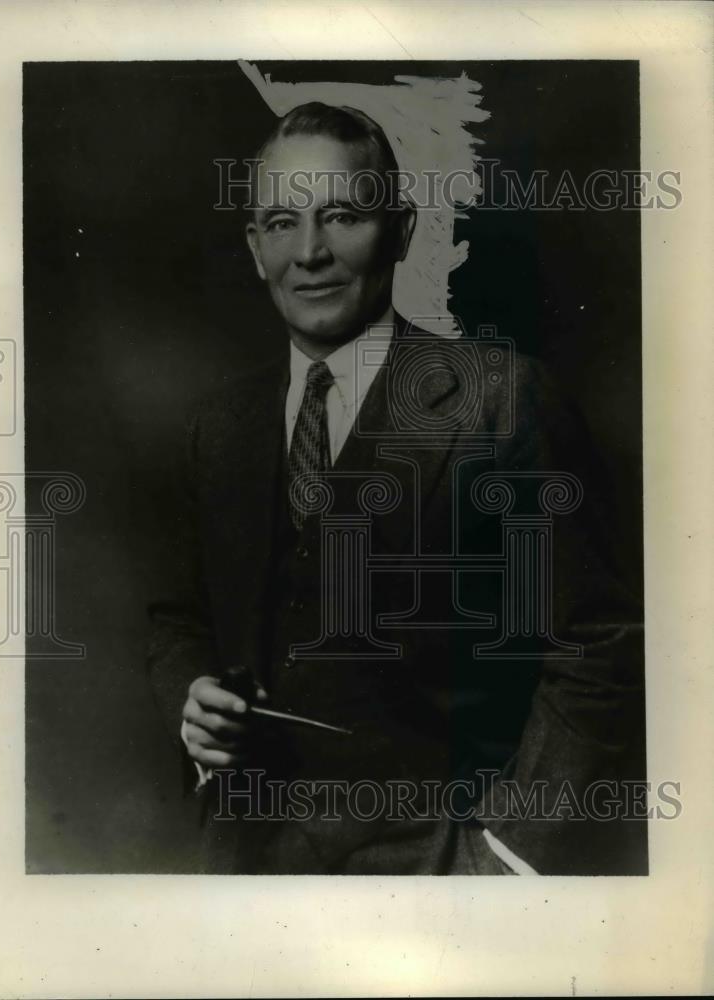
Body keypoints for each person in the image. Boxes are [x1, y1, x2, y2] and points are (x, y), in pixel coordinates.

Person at [147, 102, 645, 875]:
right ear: (254, 248)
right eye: (281, 222)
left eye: (341, 215)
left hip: (440, 877)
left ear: (402, 231)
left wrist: (511, 858)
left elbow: (596, 645)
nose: (309, 252)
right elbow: (179, 617)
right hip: (245, 873)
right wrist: (192, 698)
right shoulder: (218, 427)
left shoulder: (501, 400)